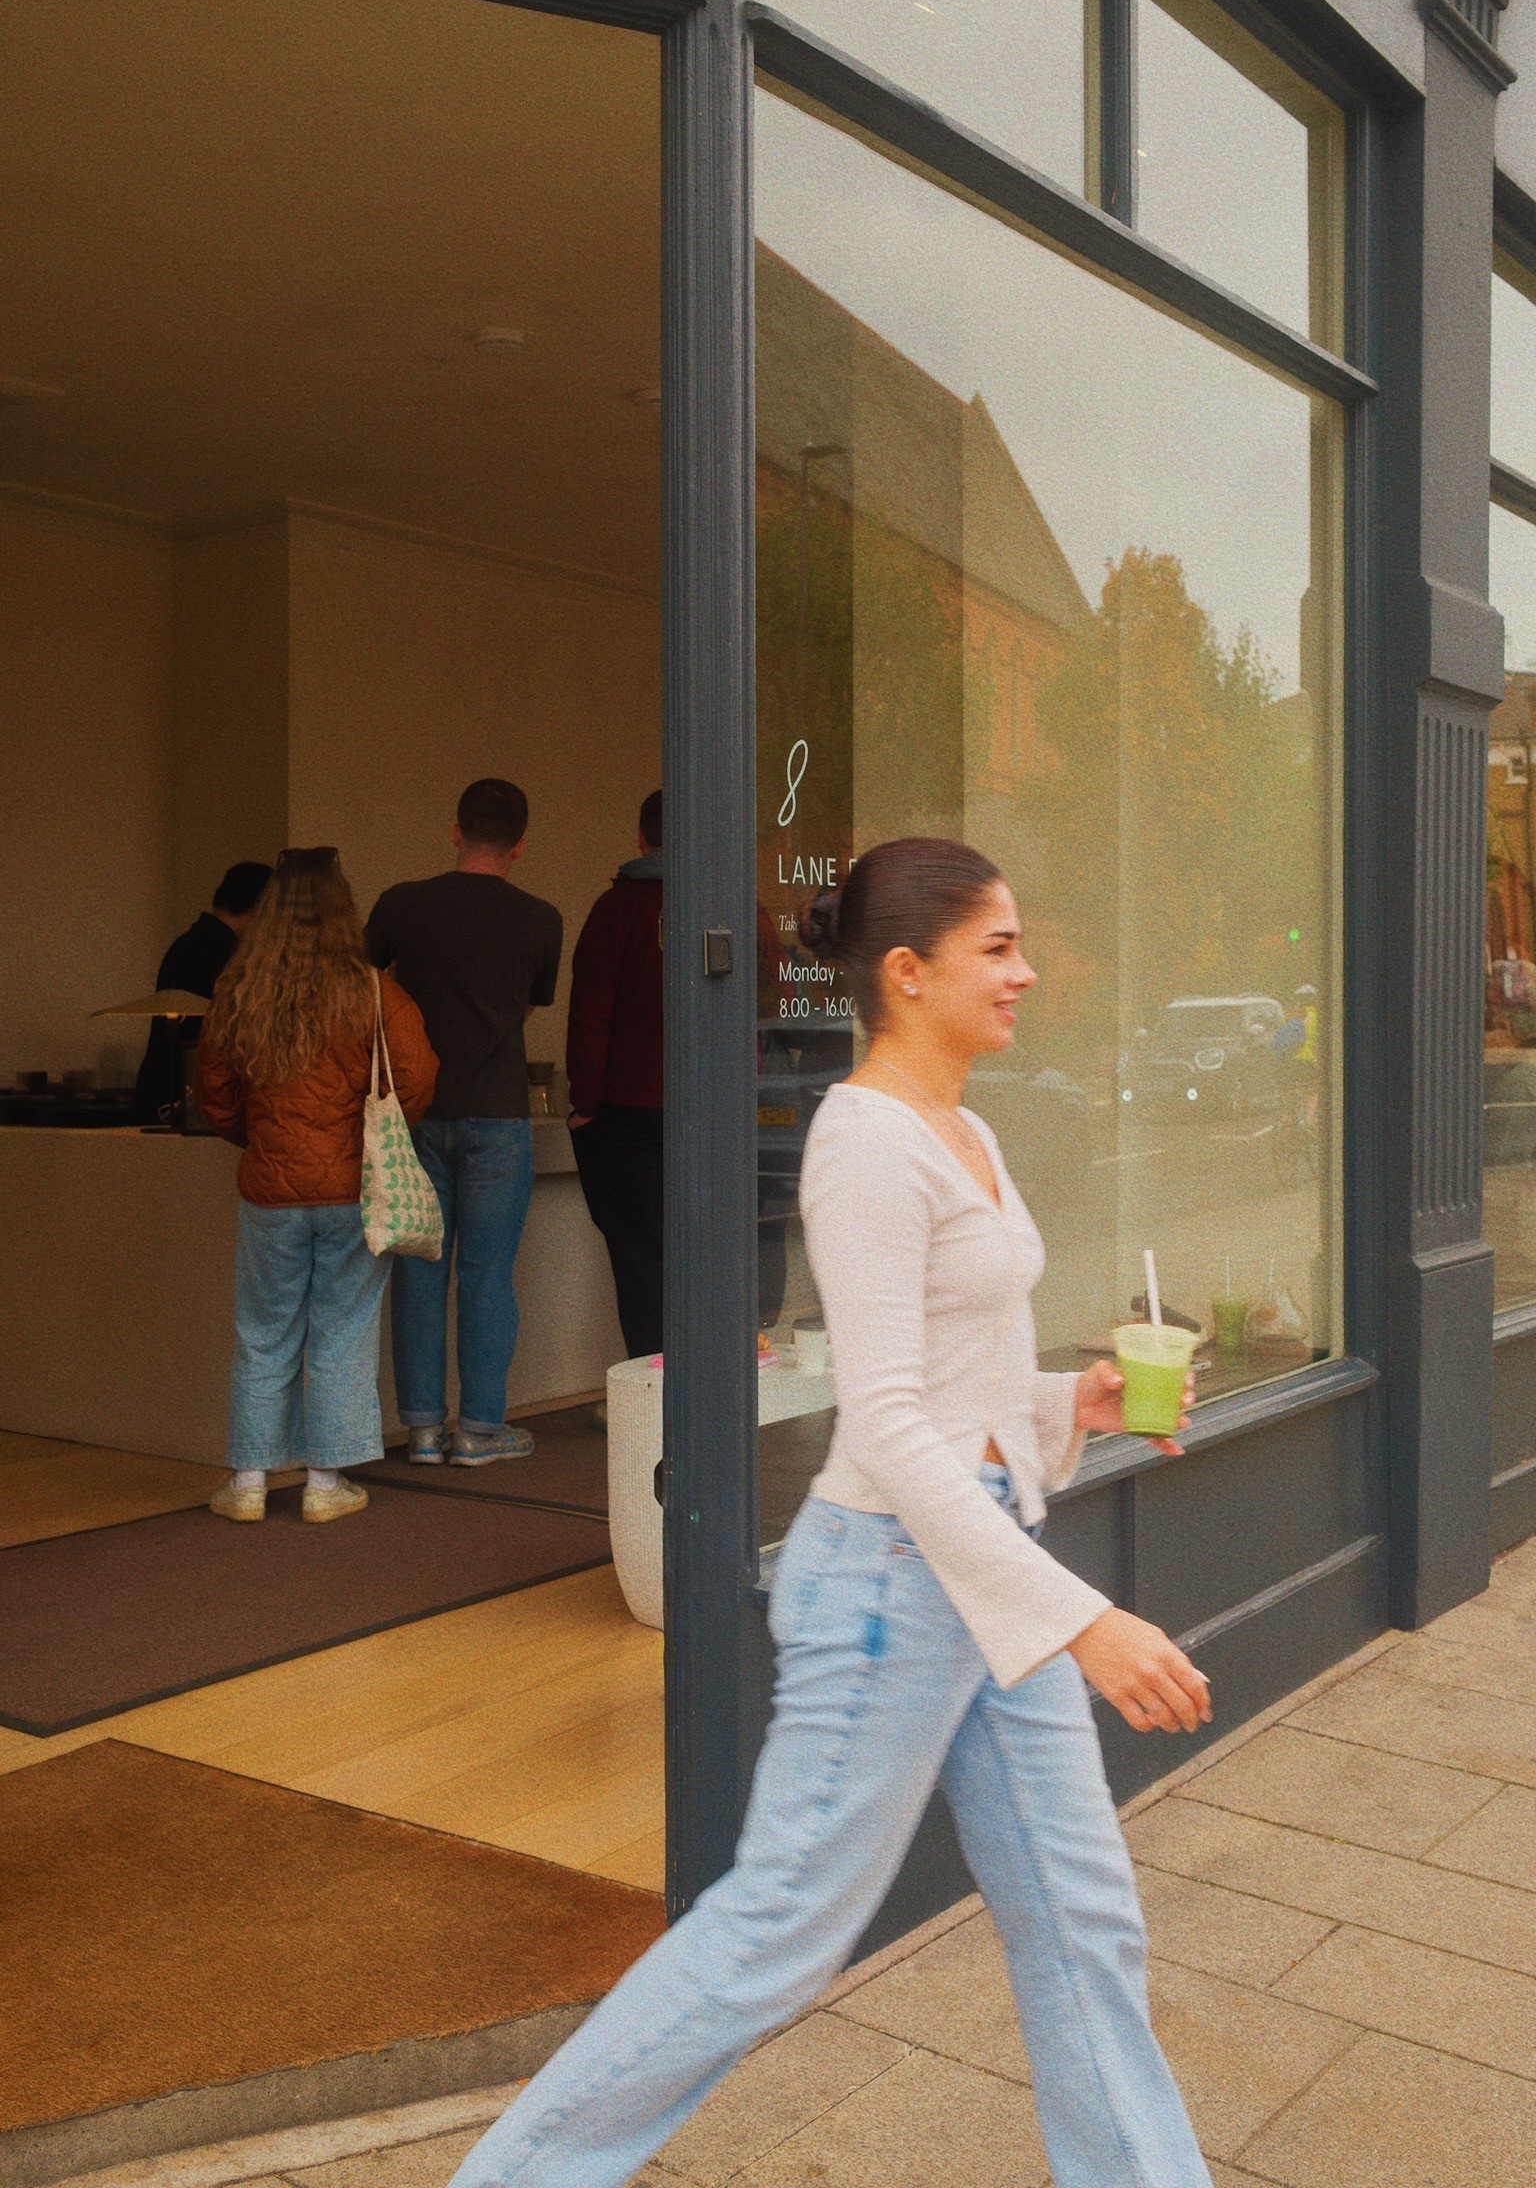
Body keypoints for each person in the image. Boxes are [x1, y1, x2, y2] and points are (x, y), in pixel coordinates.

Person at [446, 836, 1213, 2188]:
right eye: (999, 949)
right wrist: (1085, 1620)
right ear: (906, 974)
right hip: (891, 1590)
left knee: (1085, 1920)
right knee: (775, 1934)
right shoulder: (861, 1145)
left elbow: (955, 1381)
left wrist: (1067, 1405)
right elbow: (887, 1423)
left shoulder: (966, 1128)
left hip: (987, 1559)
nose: (1026, 972)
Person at [194, 847, 437, 1524]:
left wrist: (261, 1137)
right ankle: (325, 1485)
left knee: (265, 1331)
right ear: (343, 911)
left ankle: (246, 1481)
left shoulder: (239, 988)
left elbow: (213, 1088)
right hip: (350, 1187)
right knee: (342, 1330)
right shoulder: (372, 990)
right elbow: (415, 1079)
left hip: (270, 1191)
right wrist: (369, 1134)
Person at [366, 780, 562, 1467]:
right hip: (500, 1112)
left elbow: (366, 985)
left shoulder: (401, 905)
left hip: (419, 1111)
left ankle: (421, 1429)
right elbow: (531, 1007)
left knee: (421, 1267)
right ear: (520, 845)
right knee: (486, 1274)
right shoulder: (541, 919)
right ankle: (480, 1429)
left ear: (455, 831)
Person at [566, 790, 663, 1359]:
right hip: (715, 1112)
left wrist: (586, 1102)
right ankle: (711, 1400)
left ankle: (654, 1394)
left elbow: (591, 1013)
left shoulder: (617, 909)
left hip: (628, 1114)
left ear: (639, 836)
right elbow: (771, 997)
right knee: (710, 1256)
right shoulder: (738, 907)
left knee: (640, 1259)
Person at [133, 860, 273, 1122]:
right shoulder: (226, 955)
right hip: (184, 1095)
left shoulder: (188, 942)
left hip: (161, 1086)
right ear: (260, 907)